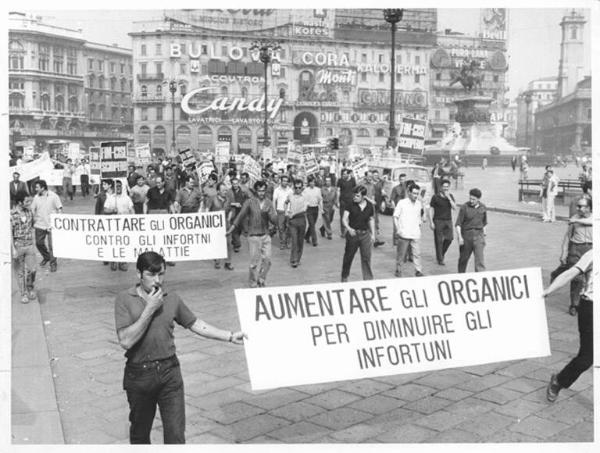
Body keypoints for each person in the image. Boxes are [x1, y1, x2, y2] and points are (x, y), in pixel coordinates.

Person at [114, 251, 245, 444]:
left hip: (170, 374)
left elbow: (196, 324)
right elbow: (126, 340)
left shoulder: (171, 298)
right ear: (139, 274)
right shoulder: (124, 299)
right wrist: (150, 308)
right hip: (139, 375)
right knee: (140, 435)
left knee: (176, 435)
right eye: (151, 275)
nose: (157, 280)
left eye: (161, 274)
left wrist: (229, 336)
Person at [544, 249, 592, 403]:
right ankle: (559, 381)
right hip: (591, 307)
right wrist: (549, 290)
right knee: (587, 358)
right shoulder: (593, 253)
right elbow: (569, 273)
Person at [227, 180, 278, 287]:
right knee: (254, 263)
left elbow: (274, 219)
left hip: (265, 235)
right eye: (259, 191)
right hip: (254, 236)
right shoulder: (249, 202)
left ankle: (262, 278)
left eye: (263, 191)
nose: (261, 193)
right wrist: (231, 229)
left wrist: (273, 215)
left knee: (267, 260)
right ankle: (253, 281)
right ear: (256, 191)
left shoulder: (268, 202)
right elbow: (240, 216)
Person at [560, 196, 592, 315]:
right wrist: (564, 252)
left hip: (590, 249)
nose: (577, 208)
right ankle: (574, 304)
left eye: (581, 206)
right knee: (576, 278)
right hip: (575, 248)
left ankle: (589, 304)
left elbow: (592, 221)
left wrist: (576, 221)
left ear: (589, 208)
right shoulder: (574, 218)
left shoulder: (594, 217)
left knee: (590, 278)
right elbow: (567, 236)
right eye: (577, 206)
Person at [341, 185, 375, 282]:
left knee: (366, 257)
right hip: (353, 234)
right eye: (354, 195)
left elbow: (371, 219)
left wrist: (373, 234)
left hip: (365, 235)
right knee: (348, 256)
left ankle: (368, 279)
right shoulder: (350, 204)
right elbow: (344, 218)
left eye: (357, 196)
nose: (354, 198)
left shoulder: (369, 206)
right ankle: (344, 277)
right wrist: (348, 228)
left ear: (363, 197)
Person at [30, 179, 63, 273]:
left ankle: (53, 264)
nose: (36, 189)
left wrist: (59, 220)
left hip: (51, 225)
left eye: (37, 187)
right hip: (40, 224)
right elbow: (32, 209)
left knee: (52, 246)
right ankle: (46, 257)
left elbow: (59, 208)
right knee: (39, 243)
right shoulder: (36, 197)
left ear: (43, 188)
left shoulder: (53, 196)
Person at [394, 183, 425, 277]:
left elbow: (420, 217)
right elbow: (395, 216)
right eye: (414, 193)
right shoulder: (402, 203)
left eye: (417, 194)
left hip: (415, 233)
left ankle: (418, 270)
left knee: (417, 254)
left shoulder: (419, 204)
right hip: (404, 233)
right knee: (401, 254)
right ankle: (398, 270)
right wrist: (398, 229)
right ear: (409, 193)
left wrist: (420, 225)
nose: (416, 196)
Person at [11, 192, 37, 304]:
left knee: (32, 269)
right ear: (20, 202)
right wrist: (13, 249)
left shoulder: (30, 212)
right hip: (18, 245)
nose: (29, 203)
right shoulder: (12, 215)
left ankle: (30, 287)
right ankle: (23, 293)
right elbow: (9, 234)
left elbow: (33, 226)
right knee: (20, 272)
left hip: (29, 245)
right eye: (26, 201)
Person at [456, 188, 487, 273]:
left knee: (480, 261)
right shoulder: (464, 207)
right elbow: (458, 224)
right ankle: (461, 276)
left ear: (478, 199)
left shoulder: (483, 207)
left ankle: (480, 278)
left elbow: (484, 223)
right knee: (463, 259)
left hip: (479, 236)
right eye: (470, 198)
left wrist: (484, 235)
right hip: (466, 236)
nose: (471, 201)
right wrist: (460, 237)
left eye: (473, 199)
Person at [205, 182, 234, 270]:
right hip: (215, 224)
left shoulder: (229, 199)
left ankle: (228, 262)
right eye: (223, 190)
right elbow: (207, 210)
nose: (225, 192)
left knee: (228, 243)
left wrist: (229, 219)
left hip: (225, 223)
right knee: (217, 243)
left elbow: (231, 210)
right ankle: (217, 261)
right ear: (218, 191)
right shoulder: (212, 199)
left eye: (226, 190)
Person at [429, 179, 457, 265]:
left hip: (448, 220)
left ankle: (441, 254)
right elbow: (431, 209)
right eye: (444, 187)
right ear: (441, 187)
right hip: (438, 220)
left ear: (449, 187)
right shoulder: (435, 197)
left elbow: (454, 208)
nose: (445, 189)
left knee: (449, 238)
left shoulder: (450, 196)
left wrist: (449, 198)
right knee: (439, 240)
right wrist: (431, 222)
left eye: (447, 187)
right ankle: (440, 259)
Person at [286, 179, 308, 268]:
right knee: (294, 241)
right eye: (296, 187)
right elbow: (286, 203)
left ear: (302, 187)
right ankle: (294, 260)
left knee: (300, 241)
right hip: (292, 222)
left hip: (301, 219)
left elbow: (304, 209)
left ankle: (298, 258)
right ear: (293, 187)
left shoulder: (305, 196)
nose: (298, 189)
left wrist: (293, 213)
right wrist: (286, 212)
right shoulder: (290, 195)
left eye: (300, 187)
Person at [228, 176, 249, 253]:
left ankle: (234, 241)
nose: (235, 185)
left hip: (242, 213)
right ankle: (237, 245)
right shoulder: (229, 192)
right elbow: (226, 202)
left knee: (240, 229)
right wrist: (234, 204)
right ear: (231, 184)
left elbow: (249, 199)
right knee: (235, 229)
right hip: (233, 212)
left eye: (236, 183)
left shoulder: (243, 191)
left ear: (239, 183)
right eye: (233, 184)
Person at [272, 175, 293, 250]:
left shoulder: (290, 190)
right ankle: (282, 243)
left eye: (287, 181)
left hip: (288, 211)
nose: (285, 182)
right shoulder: (277, 190)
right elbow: (274, 201)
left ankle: (288, 241)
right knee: (281, 228)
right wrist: (274, 211)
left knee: (289, 227)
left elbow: (292, 201)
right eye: (284, 181)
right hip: (280, 211)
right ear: (281, 181)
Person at [303, 175, 322, 247]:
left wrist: (321, 208)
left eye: (313, 182)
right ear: (309, 183)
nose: (312, 183)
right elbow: (304, 200)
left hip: (315, 208)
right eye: (311, 182)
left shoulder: (318, 190)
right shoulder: (306, 190)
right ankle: (315, 241)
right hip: (309, 209)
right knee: (312, 225)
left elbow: (320, 199)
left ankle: (307, 236)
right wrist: (304, 208)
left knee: (312, 224)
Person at [337, 169, 356, 237]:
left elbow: (355, 190)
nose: (344, 175)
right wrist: (337, 201)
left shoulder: (353, 180)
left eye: (345, 174)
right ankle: (343, 232)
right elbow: (338, 191)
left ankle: (349, 230)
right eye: (343, 174)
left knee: (351, 216)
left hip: (351, 201)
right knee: (342, 216)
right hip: (343, 201)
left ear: (348, 174)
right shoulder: (340, 180)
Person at [319, 176, 337, 240]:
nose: (328, 182)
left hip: (331, 206)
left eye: (329, 181)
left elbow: (335, 197)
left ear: (331, 182)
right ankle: (329, 234)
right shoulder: (322, 189)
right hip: (325, 205)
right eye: (326, 181)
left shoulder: (334, 188)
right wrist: (321, 208)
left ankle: (322, 228)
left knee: (330, 219)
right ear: (325, 182)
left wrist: (336, 205)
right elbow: (320, 198)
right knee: (327, 219)